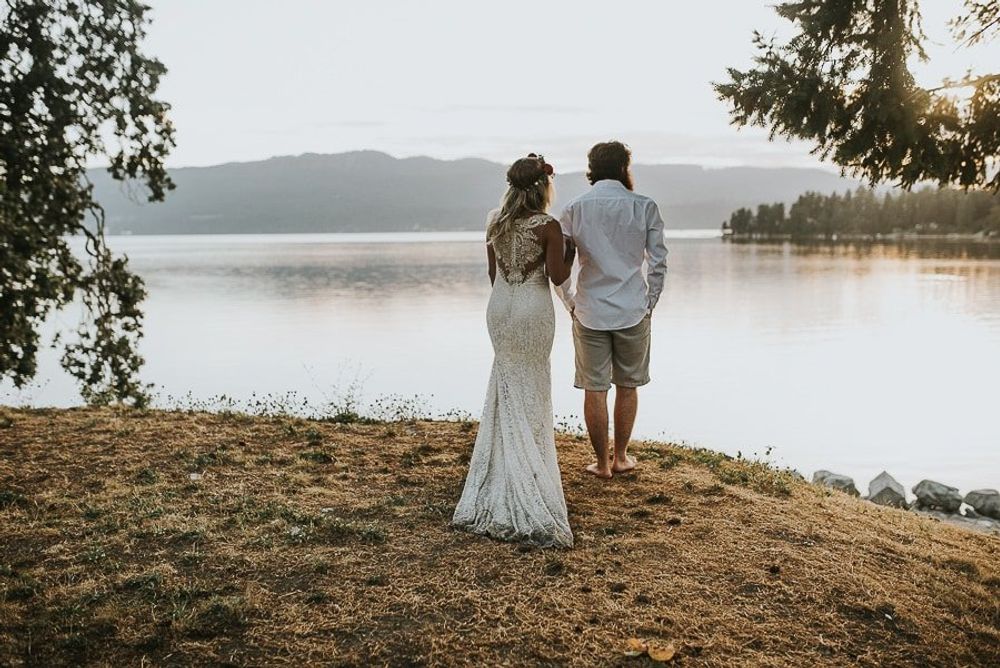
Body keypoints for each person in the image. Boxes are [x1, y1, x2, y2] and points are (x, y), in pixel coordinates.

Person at [452, 153, 576, 548]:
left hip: (501, 307)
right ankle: (530, 477)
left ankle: (502, 471)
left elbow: (494, 275)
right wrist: (570, 250)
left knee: (506, 385)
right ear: (544, 188)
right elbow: (557, 277)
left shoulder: (495, 222)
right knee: (533, 387)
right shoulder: (549, 227)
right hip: (532, 309)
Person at [556, 141, 669, 478]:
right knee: (628, 385)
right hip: (633, 308)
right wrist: (650, 301)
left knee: (594, 387)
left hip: (589, 310)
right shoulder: (644, 206)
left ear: (592, 168)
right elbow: (659, 261)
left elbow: (561, 265)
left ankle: (602, 464)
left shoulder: (574, 208)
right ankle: (620, 457)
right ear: (624, 167)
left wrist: (570, 301)